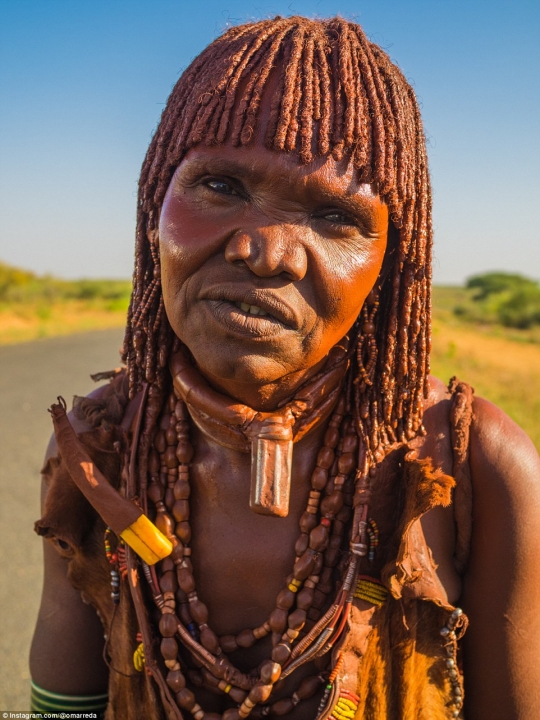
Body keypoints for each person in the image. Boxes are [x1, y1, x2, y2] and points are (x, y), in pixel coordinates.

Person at [29, 15, 540, 720]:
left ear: (388, 268)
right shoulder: (99, 450)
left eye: (334, 217)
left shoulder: (476, 466)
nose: (269, 251)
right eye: (221, 186)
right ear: (155, 210)